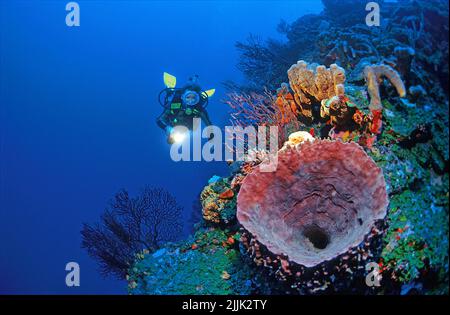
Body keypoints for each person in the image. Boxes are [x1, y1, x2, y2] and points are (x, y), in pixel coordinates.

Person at [157, 73, 215, 143]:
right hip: (174, 122)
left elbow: (208, 123)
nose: (190, 101)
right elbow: (159, 120)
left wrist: (210, 135)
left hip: (190, 126)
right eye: (188, 97)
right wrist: (166, 128)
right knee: (170, 102)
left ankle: (201, 94)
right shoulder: (175, 104)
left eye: (193, 98)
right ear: (183, 97)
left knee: (195, 125)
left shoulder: (199, 108)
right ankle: (170, 92)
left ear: (197, 99)